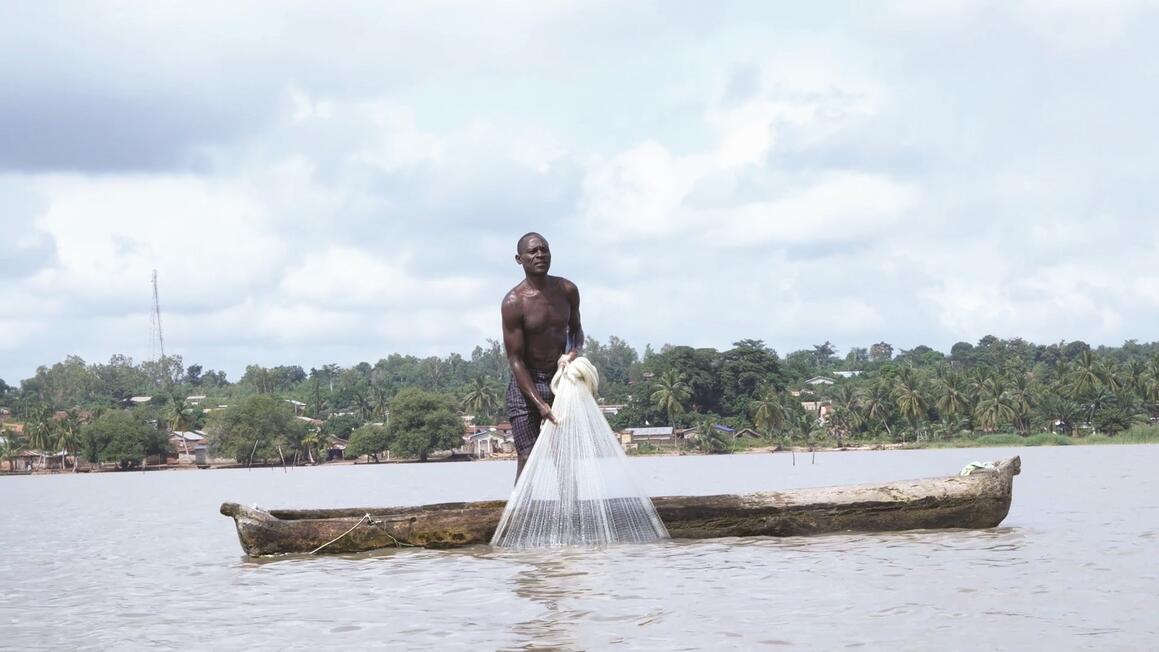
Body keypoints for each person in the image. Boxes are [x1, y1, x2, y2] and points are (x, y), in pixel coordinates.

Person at [501, 232, 584, 481]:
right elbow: (515, 359)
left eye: (544, 250)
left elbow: (576, 331)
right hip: (525, 383)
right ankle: (519, 517)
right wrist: (540, 404)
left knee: (565, 458)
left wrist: (572, 353)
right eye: (533, 251)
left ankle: (570, 515)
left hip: (559, 380)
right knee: (528, 457)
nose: (540, 255)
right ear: (520, 259)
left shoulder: (567, 290)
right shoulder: (514, 302)